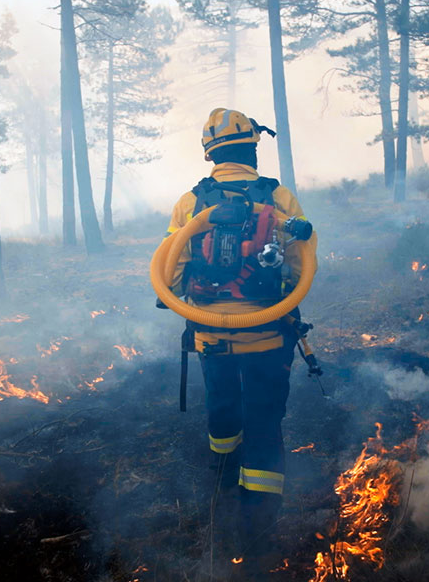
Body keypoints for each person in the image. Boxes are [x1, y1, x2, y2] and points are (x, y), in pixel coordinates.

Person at [162, 108, 310, 568]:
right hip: (269, 336)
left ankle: (222, 480)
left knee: (223, 407)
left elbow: (172, 271)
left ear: (209, 152)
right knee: (265, 422)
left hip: (211, 337)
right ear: (253, 147)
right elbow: (303, 266)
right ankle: (258, 527)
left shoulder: (191, 204)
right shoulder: (279, 196)